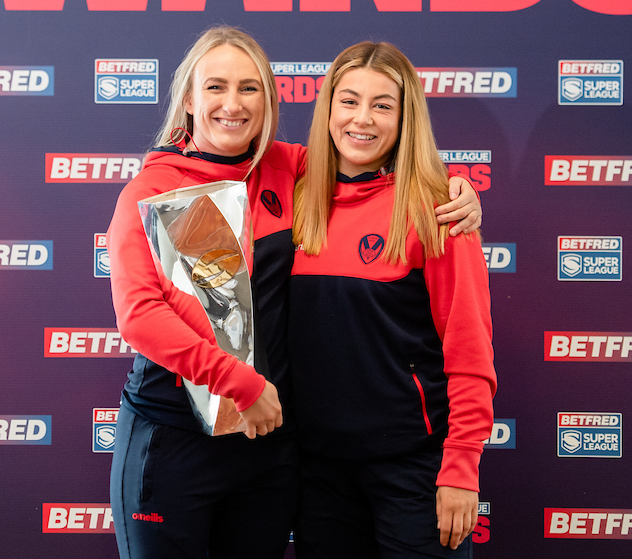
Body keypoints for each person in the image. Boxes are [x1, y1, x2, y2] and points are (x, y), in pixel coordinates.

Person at [106, 27, 484, 559]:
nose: (232, 104)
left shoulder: (290, 170)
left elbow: (363, 164)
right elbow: (140, 315)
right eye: (215, 87)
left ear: (270, 100)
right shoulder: (152, 190)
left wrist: (455, 192)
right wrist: (240, 383)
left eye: (249, 88)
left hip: (270, 450)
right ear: (188, 100)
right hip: (176, 437)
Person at [289, 42, 496, 558]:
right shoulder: (290, 192)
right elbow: (216, 150)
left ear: (406, 118)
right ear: (328, 108)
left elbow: (469, 352)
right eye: (349, 101)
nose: (363, 119)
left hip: (414, 471)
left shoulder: (437, 211)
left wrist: (461, 469)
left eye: (383, 105)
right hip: (317, 474)